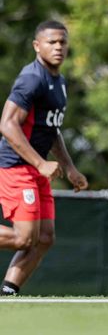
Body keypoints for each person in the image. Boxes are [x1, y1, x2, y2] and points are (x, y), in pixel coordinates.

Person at [0, 20, 88, 295]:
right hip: (16, 166)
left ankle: (8, 292)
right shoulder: (32, 78)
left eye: (62, 42)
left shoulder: (59, 82)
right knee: (25, 238)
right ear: (37, 46)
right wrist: (40, 162)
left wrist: (70, 168)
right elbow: (7, 124)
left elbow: (51, 130)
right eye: (52, 42)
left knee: (45, 238)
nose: (58, 47)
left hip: (38, 170)